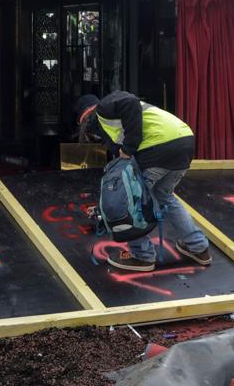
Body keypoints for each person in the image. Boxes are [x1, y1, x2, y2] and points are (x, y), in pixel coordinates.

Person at [76, 91, 211, 272]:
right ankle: (198, 247)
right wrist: (102, 210)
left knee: (130, 200)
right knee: (164, 196)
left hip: (160, 146)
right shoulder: (113, 123)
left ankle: (142, 257)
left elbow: (129, 101)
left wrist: (129, 147)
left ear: (86, 118)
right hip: (183, 142)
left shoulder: (104, 109)